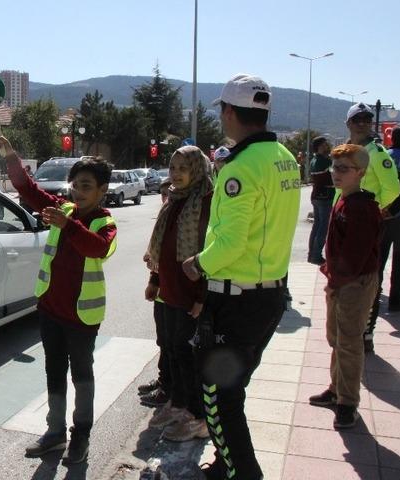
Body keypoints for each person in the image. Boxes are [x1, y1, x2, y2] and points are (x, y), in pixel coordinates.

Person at [181, 74, 300, 480]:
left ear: (229, 112)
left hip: (236, 300)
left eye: (221, 112)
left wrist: (197, 264)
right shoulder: (284, 156)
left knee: (218, 399)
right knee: (233, 392)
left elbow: (230, 243)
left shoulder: (241, 167)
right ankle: (225, 464)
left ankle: (243, 474)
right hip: (267, 295)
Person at [0, 135, 116, 465]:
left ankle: (81, 437)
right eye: (75, 185)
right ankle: (54, 433)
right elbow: (29, 190)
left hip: (82, 318)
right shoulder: (63, 209)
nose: (78, 192)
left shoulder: (104, 222)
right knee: (53, 372)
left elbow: (97, 248)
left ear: (102, 190)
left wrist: (69, 224)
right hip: (50, 312)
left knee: (82, 376)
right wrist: (11, 156)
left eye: (87, 186)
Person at [309, 144, 382, 429]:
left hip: (354, 284)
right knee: (336, 339)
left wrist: (335, 282)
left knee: (349, 343)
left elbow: (355, 256)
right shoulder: (344, 199)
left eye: (343, 169)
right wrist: (331, 276)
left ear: (360, 172)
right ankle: (336, 389)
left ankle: (347, 403)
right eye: (334, 167)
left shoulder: (361, 207)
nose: (336, 174)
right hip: (341, 281)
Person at [145, 146, 214, 443]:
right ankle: (178, 403)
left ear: (196, 170)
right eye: (172, 168)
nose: (175, 174)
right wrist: (155, 279)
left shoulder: (207, 201)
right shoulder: (174, 198)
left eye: (182, 168)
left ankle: (198, 416)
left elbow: (209, 253)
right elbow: (163, 245)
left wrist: (202, 297)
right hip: (171, 289)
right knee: (172, 348)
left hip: (191, 293)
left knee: (188, 355)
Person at [345, 104, 400, 353]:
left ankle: (366, 332)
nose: (363, 122)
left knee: (371, 277)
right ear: (348, 122)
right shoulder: (349, 151)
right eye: (358, 119)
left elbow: (393, 189)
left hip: (368, 226)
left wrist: (376, 211)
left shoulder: (377, 152)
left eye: (367, 119)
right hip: (349, 225)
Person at [137, 180, 174, 407]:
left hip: (174, 293)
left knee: (173, 344)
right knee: (164, 341)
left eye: (168, 194)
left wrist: (154, 280)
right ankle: (164, 381)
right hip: (163, 293)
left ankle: (168, 390)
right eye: (162, 195)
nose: (165, 199)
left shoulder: (181, 215)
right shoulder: (167, 214)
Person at [379, 127, 400, 313]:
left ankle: (374, 294)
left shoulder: (384, 156)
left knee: (379, 257)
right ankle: (395, 300)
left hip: (382, 215)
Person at [308, 136, 334, 265]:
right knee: (323, 227)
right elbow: (330, 179)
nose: (326, 146)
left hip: (316, 196)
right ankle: (316, 255)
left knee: (317, 225)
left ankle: (311, 254)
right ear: (318, 147)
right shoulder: (324, 161)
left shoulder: (314, 160)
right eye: (324, 145)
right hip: (325, 196)